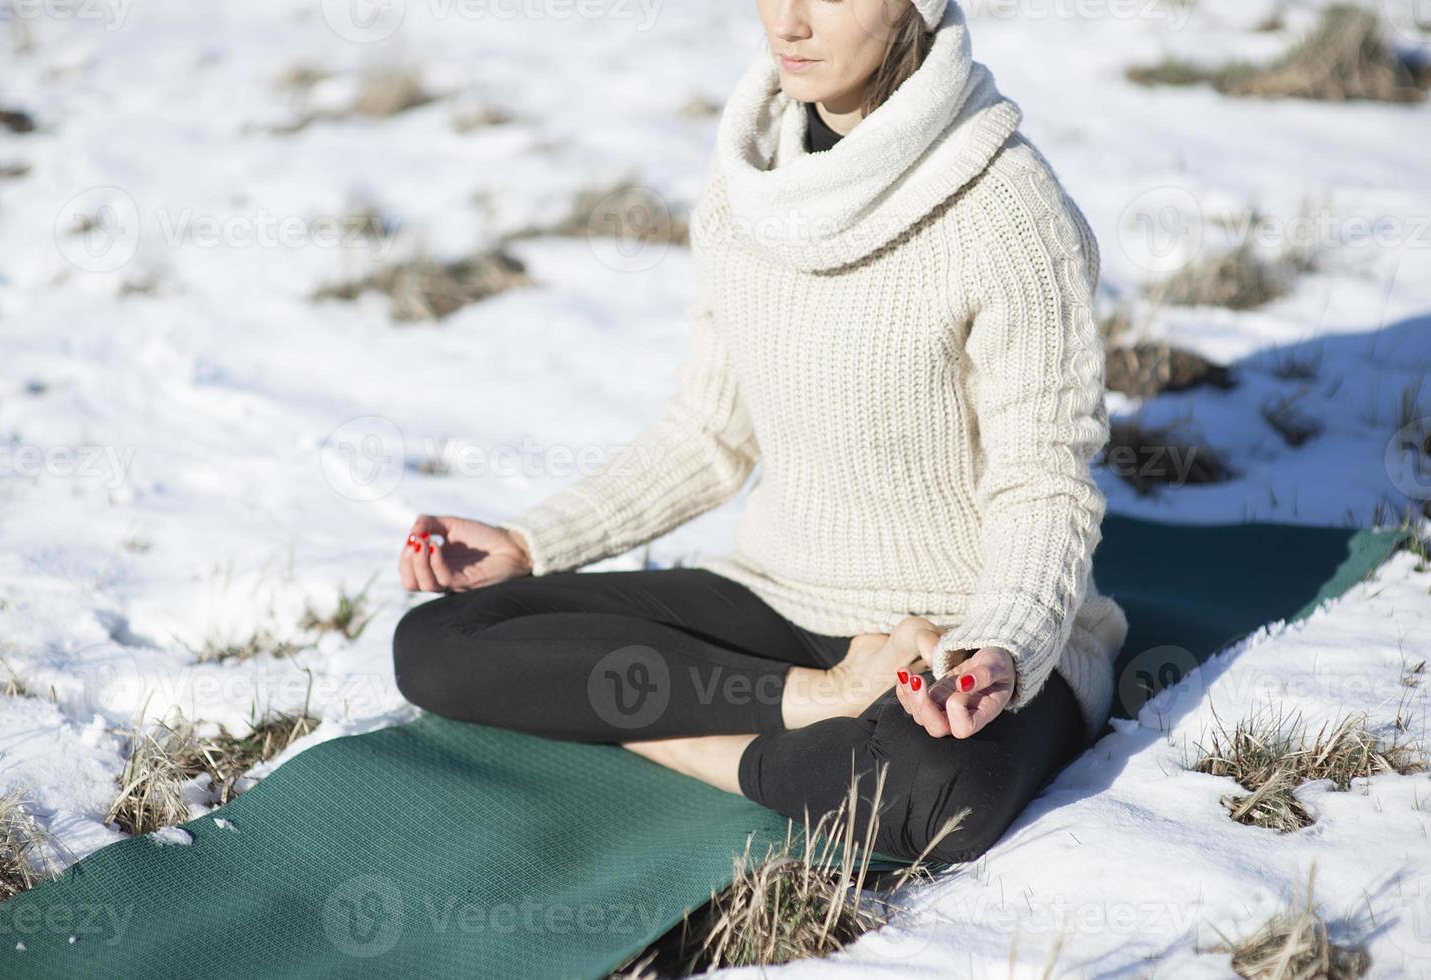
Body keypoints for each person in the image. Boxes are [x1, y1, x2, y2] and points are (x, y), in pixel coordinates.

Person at [392, 0, 1129, 864]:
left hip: (948, 633)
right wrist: (529, 541)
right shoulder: (748, 184)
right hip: (779, 599)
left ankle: (680, 733)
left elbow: (1044, 482)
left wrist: (1004, 641)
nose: (788, 22)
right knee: (441, 640)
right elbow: (710, 432)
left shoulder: (1008, 210)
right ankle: (813, 709)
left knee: (945, 790)